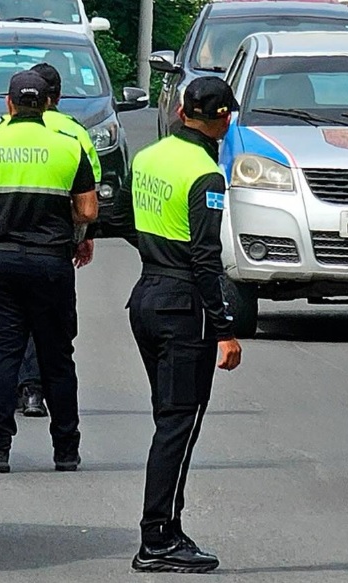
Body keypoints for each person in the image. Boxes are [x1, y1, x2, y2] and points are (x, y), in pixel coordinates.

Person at [103, 76, 243, 573]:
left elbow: (119, 215)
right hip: (185, 306)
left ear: (183, 110)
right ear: (222, 119)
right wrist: (225, 329)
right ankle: (157, 537)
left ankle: (167, 529)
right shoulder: (207, 175)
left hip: (147, 295)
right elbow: (206, 259)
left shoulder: (149, 157)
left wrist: (156, 253)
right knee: (178, 425)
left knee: (169, 420)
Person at [0, 70, 98, 473]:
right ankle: (66, 448)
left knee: (1, 357)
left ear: (9, 103)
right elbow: (87, 210)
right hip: (52, 265)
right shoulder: (68, 147)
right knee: (57, 357)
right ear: (47, 104)